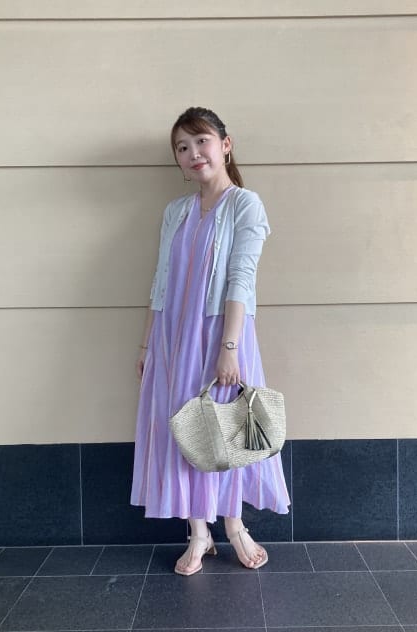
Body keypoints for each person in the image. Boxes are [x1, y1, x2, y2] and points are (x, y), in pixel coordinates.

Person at [131, 106, 290, 576]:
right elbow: (161, 282)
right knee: (187, 431)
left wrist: (229, 348)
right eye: (182, 147)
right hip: (173, 337)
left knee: (229, 429)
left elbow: (242, 278)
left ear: (225, 145)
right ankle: (198, 533)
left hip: (223, 334)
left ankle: (235, 526)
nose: (193, 153)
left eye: (201, 141)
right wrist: (146, 346)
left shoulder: (245, 204)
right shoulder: (175, 211)